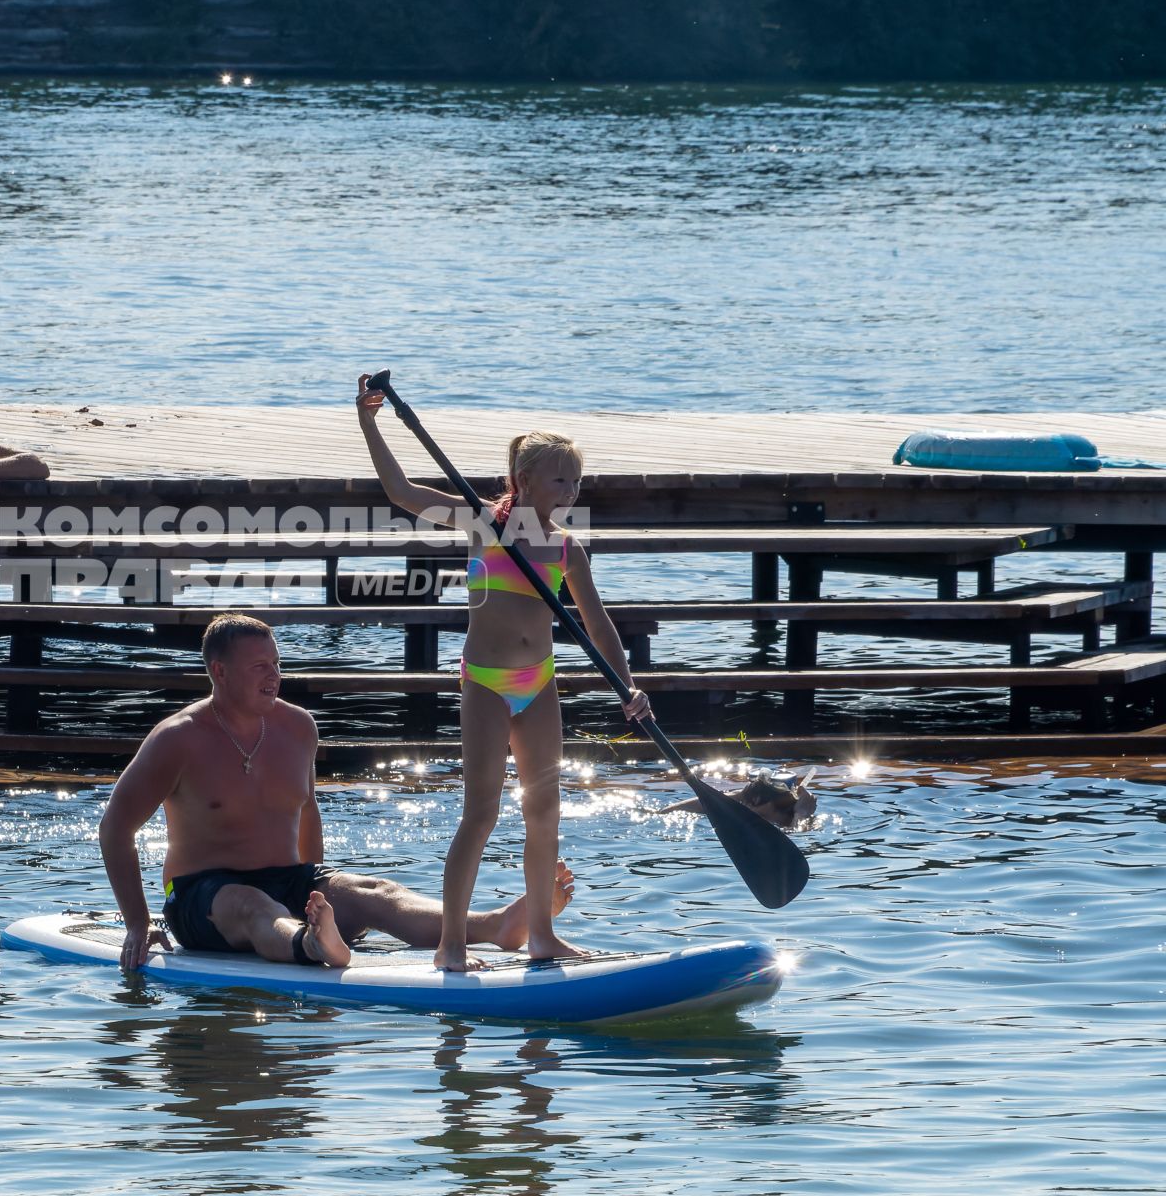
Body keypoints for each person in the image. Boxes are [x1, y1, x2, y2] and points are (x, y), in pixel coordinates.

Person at [356, 374, 650, 969]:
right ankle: (451, 945)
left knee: (545, 809)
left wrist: (627, 685)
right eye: (559, 477)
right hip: (486, 683)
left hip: (539, 683)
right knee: (482, 812)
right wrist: (369, 420)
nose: (570, 488)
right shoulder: (484, 524)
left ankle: (541, 934)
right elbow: (400, 492)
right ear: (524, 481)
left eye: (575, 478)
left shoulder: (568, 547)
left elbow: (598, 627)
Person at [99, 613, 576, 972]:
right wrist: (139, 923)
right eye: (258, 667)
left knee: (374, 891)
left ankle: (494, 926)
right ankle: (309, 944)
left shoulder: (297, 727)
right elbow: (115, 828)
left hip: (290, 879)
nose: (274, 675)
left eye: (277, 664)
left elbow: (307, 814)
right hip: (203, 895)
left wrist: (318, 895)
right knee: (252, 905)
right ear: (219, 672)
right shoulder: (177, 738)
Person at [665, 774, 818, 829]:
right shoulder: (752, 807)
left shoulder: (799, 824)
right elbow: (668, 811)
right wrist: (738, 796)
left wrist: (802, 813)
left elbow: (798, 833)